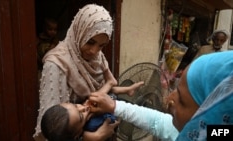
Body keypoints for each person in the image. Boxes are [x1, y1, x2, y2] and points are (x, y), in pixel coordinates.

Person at [89, 51, 233, 141]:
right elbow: (159, 123)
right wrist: (114, 106)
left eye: (182, 100)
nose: (169, 99)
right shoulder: (213, 132)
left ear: (211, 114)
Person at [33, 4, 122, 141]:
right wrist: (92, 137)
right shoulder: (56, 64)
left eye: (101, 45)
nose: (94, 51)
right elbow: (55, 131)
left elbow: (107, 89)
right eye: (90, 42)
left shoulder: (98, 57)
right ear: (79, 31)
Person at [40, 81, 144, 141]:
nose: (83, 108)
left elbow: (96, 97)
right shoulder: (93, 127)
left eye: (75, 105)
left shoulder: (78, 128)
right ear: (78, 133)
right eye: (81, 116)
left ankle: (128, 91)